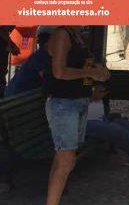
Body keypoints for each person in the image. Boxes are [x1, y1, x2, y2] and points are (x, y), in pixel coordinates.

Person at [45, 26, 109, 205]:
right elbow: (59, 71)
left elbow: (81, 68)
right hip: (64, 103)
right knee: (66, 161)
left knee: (64, 160)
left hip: (78, 101)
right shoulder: (62, 34)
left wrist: (97, 73)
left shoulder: (78, 36)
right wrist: (90, 73)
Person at [4, 26, 54, 97]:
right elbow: (49, 80)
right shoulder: (42, 56)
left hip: (15, 97)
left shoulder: (39, 55)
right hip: (18, 99)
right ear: (47, 43)